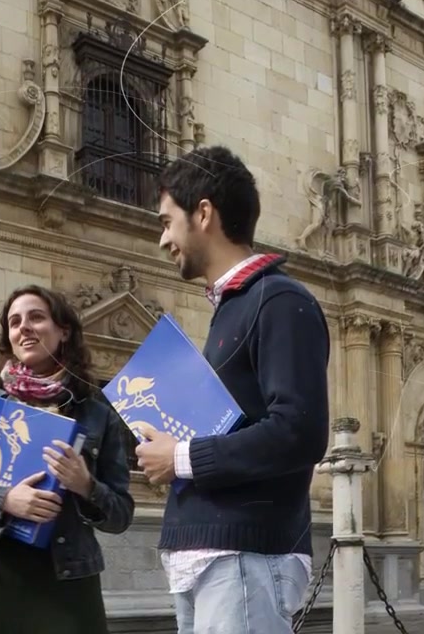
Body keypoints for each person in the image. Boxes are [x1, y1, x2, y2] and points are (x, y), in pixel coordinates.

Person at [136, 146, 331, 633]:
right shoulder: (235, 308)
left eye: (166, 221)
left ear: (203, 213)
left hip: (244, 556)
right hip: (210, 555)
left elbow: (300, 431)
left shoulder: (281, 300)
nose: (163, 240)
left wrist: (180, 457)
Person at [0, 284, 135, 634]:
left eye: (36, 317)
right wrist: (4, 499)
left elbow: (121, 516)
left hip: (68, 585)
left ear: (63, 330)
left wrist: (86, 486)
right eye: (14, 321)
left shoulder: (99, 415)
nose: (23, 327)